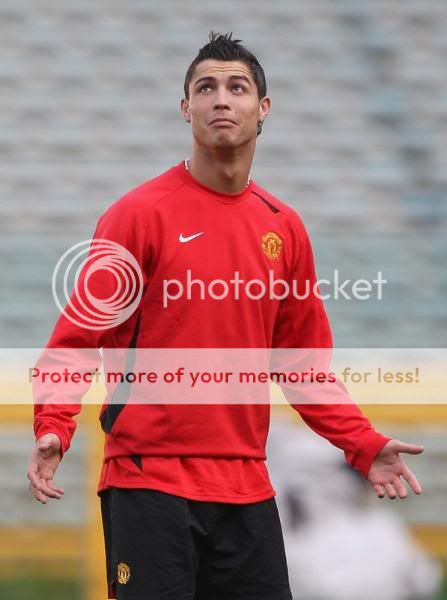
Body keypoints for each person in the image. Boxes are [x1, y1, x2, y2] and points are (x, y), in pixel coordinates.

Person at [27, 32, 424, 600]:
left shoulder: (282, 227)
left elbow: (302, 366)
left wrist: (360, 442)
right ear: (186, 108)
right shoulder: (138, 215)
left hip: (247, 489)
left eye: (237, 88)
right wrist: (54, 425)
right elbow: (75, 339)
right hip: (149, 482)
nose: (220, 99)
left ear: (262, 109)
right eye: (205, 87)